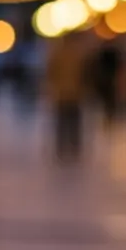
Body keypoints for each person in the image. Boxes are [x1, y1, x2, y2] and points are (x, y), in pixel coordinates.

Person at [46, 33, 89, 162]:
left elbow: (51, 73)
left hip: (65, 94)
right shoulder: (77, 55)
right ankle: (71, 146)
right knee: (70, 122)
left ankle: (66, 147)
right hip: (70, 94)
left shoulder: (60, 54)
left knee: (66, 122)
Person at [94, 42, 123, 126]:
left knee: (110, 100)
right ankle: (109, 117)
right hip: (108, 81)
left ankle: (110, 117)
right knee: (109, 100)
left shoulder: (107, 54)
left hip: (108, 81)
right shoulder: (110, 54)